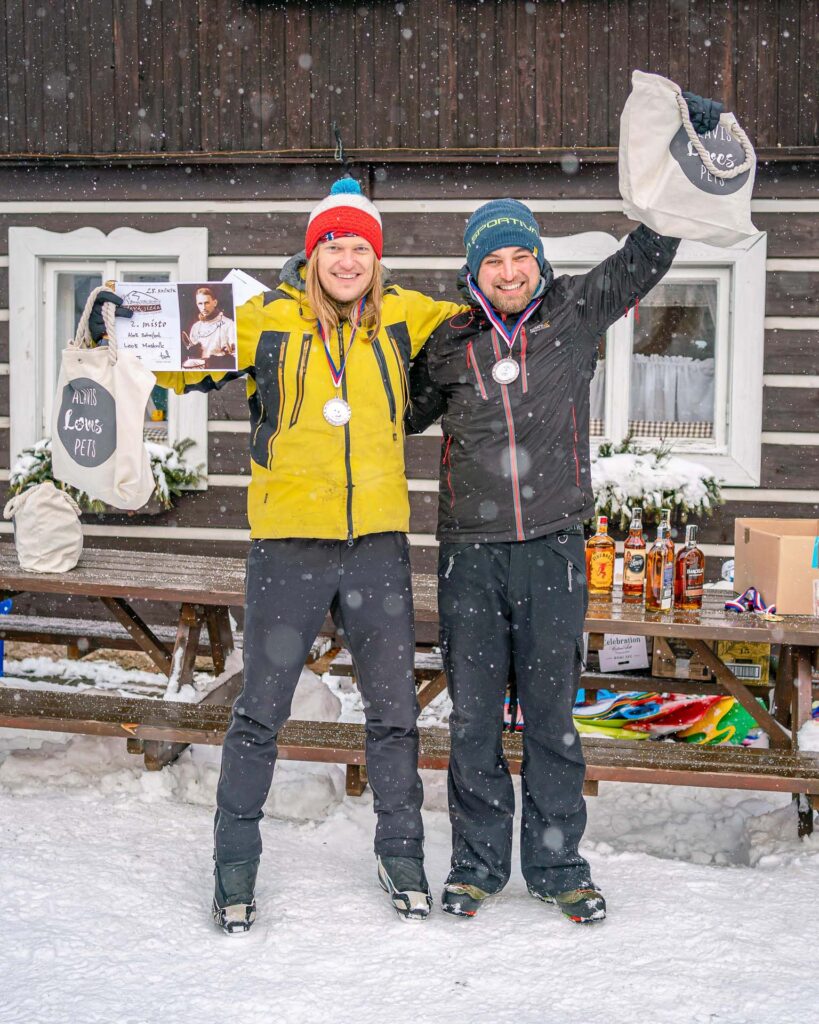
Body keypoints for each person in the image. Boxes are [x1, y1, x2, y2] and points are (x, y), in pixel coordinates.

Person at [89, 178, 463, 932]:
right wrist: (117, 325)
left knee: (392, 712)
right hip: (289, 546)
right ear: (314, 249)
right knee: (259, 711)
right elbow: (172, 362)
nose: (348, 259)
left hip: (376, 545)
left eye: (362, 246)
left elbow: (493, 319)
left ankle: (400, 854)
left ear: (375, 255)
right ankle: (234, 868)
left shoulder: (404, 314)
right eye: (336, 243)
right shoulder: (263, 318)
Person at [406, 189, 693, 921]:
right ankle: (474, 866)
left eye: (520, 256)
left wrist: (681, 165)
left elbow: (649, 252)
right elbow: (391, 411)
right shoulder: (447, 342)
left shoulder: (574, 311)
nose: (509, 272)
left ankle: (558, 864)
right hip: (470, 555)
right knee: (471, 722)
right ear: (473, 271)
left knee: (550, 719)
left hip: (553, 550)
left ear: (538, 260)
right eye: (494, 260)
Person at [182, 286, 236, 370]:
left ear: (214, 302)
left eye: (207, 303)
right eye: (200, 303)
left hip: (218, 369)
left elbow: (235, 356)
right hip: (198, 369)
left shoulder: (228, 324)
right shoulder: (196, 326)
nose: (203, 307)